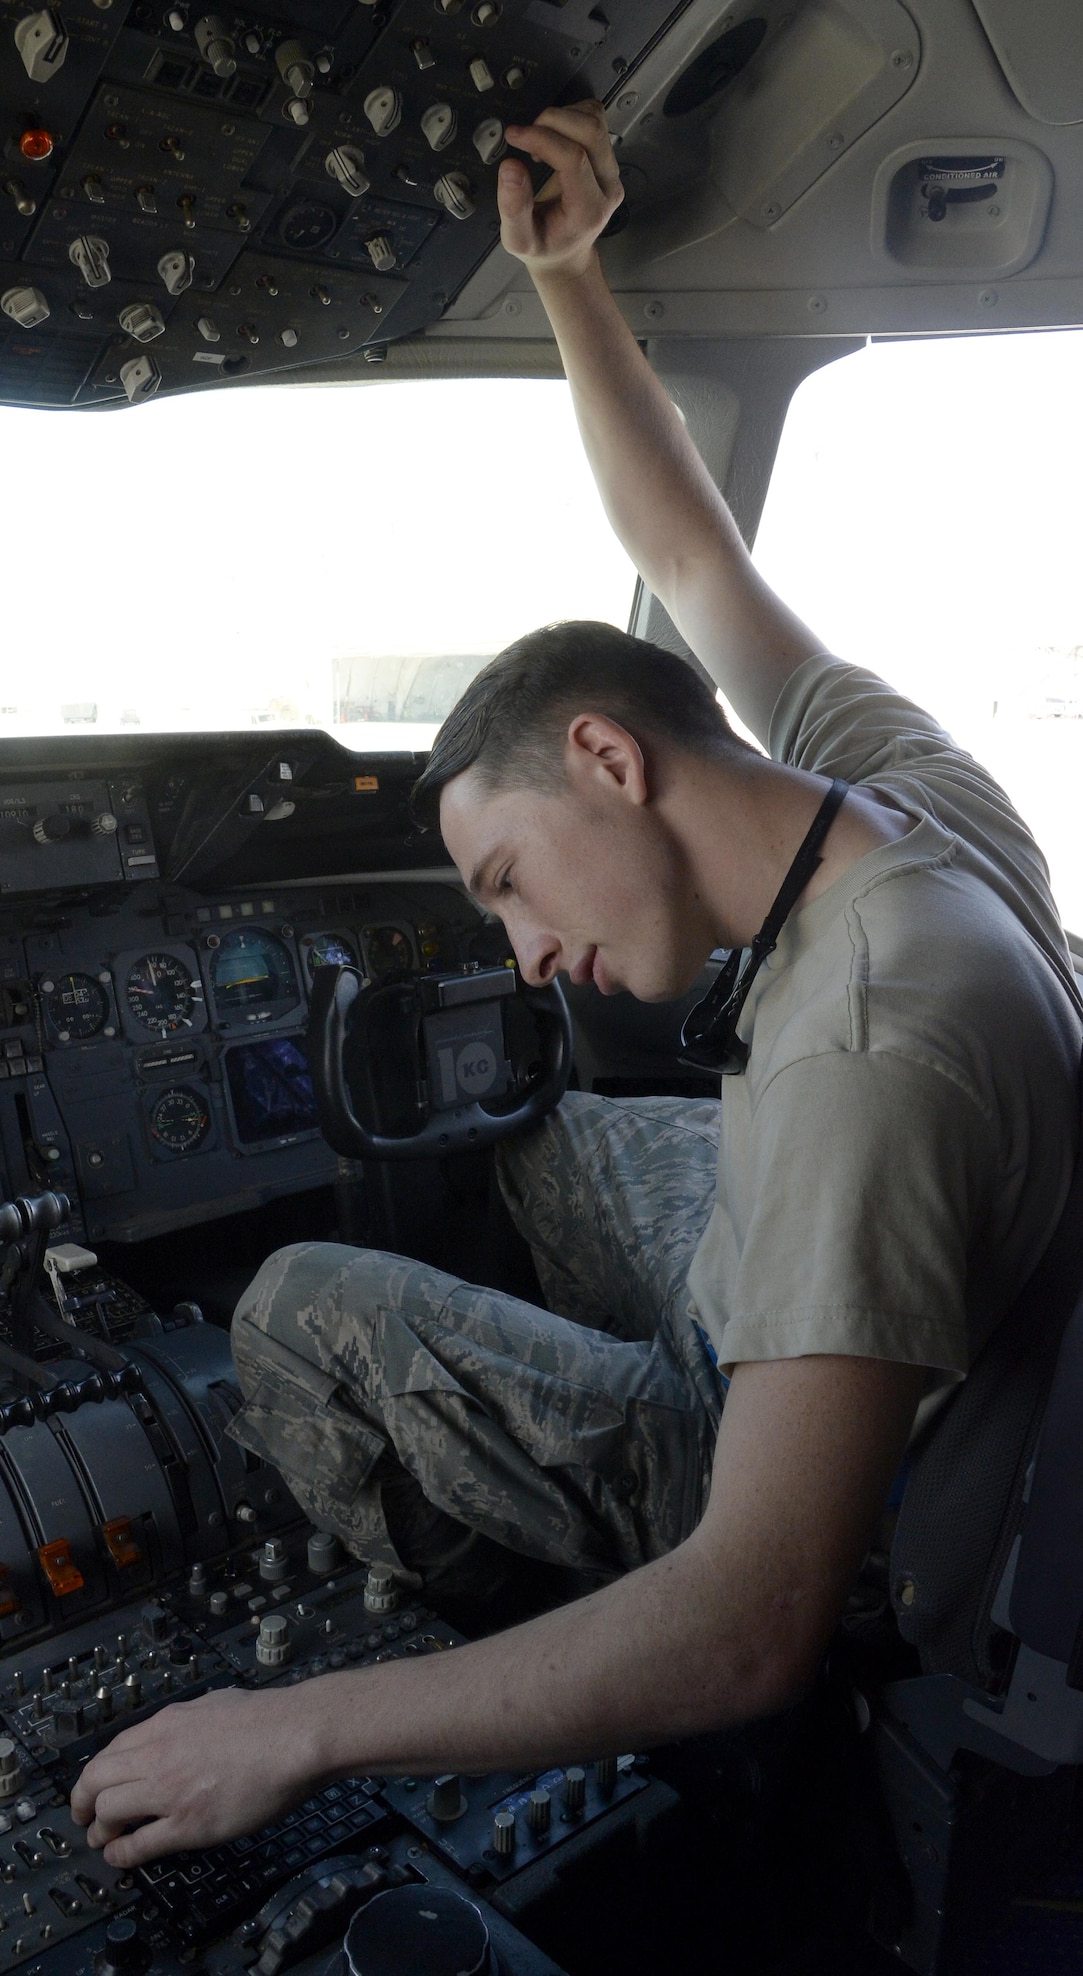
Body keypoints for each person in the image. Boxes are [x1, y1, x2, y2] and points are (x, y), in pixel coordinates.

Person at [71, 101, 1082, 1867]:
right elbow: (694, 558)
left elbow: (756, 1617)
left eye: (506, 881)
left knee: (300, 1306)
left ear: (609, 759)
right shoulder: (908, 799)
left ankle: (547, 1674)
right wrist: (565, 274)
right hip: (874, 1300)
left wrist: (295, 1728)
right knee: (551, 1135)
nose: (523, 948)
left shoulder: (864, 1049)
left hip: (833, 1519)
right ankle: (561, 1470)